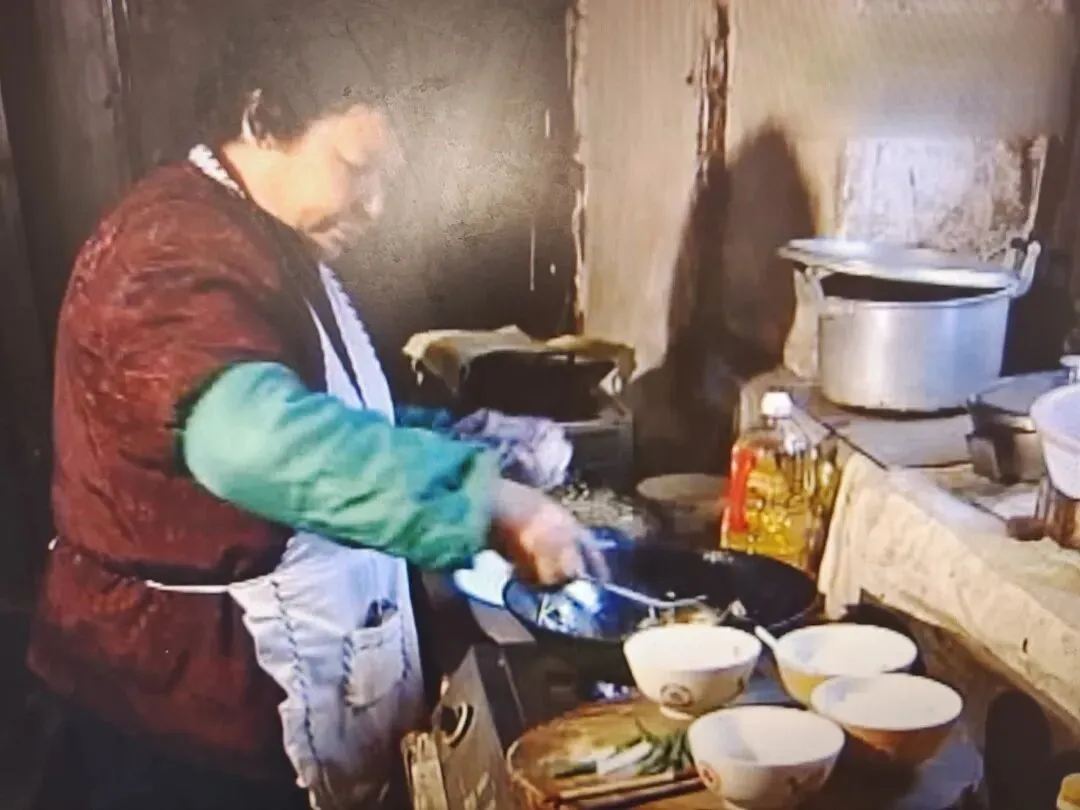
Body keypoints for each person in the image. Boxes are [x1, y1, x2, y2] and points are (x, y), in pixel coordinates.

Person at [29, 82, 597, 810]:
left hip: (244, 700)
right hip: (177, 728)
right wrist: (486, 500)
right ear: (263, 117)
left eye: (389, 177)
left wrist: (459, 440)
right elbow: (251, 442)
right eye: (357, 166)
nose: (377, 205)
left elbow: (323, 410)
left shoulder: (262, 239)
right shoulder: (166, 249)